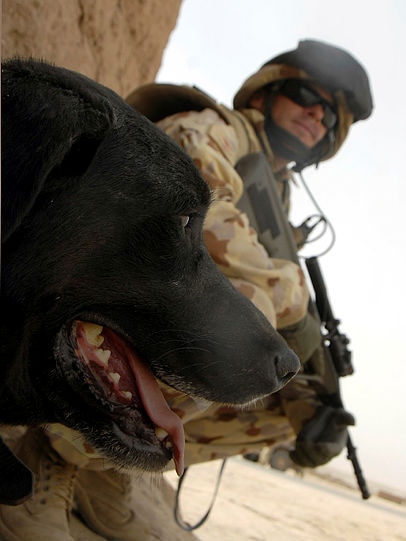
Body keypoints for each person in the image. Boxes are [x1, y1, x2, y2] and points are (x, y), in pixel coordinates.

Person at [0, 39, 373, 541]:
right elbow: (206, 237)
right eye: (307, 96)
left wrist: (313, 398)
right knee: (252, 310)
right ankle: (55, 451)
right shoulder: (213, 130)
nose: (317, 116)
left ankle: (106, 469)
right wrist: (294, 299)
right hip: (108, 277)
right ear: (265, 93)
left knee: (294, 399)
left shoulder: (278, 191)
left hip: (140, 302)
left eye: (330, 117)